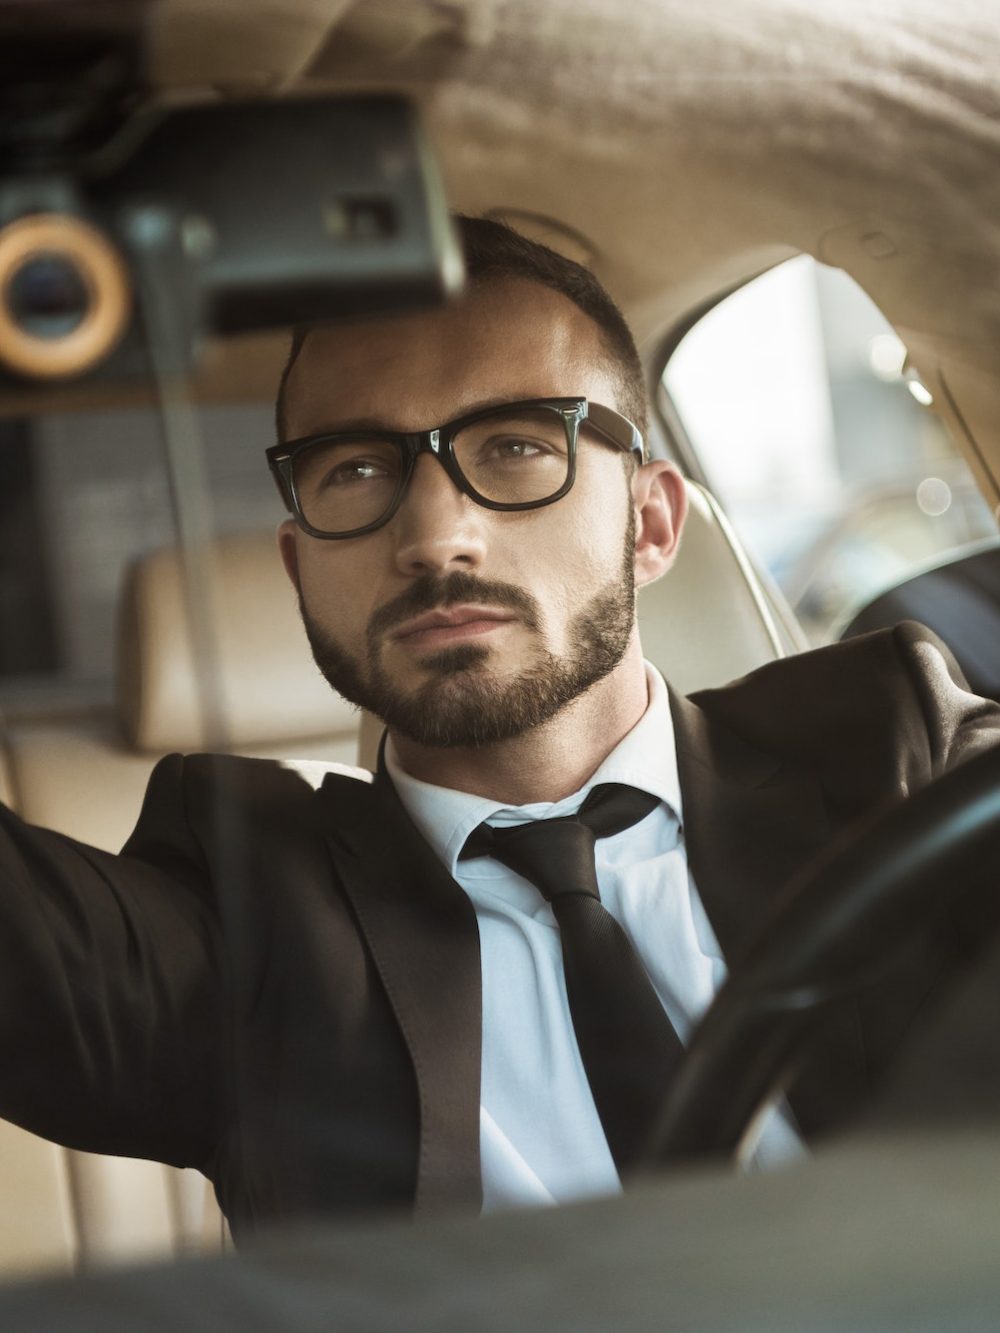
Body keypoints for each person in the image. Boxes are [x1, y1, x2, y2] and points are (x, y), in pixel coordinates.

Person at [0, 218, 997, 1237]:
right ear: (302, 570)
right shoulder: (241, 898)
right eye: (355, 471)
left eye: (518, 445)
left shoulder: (891, 743)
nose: (435, 537)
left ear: (649, 523)